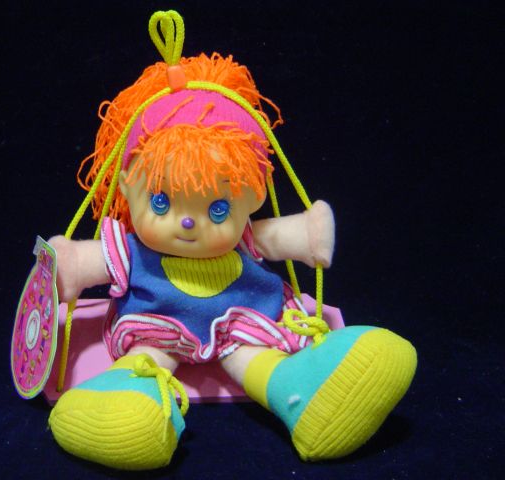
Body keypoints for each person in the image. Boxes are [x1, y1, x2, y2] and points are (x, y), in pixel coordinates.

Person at [45, 11, 417, 471]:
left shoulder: (244, 237)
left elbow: (277, 237)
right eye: (161, 202)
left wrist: (308, 235)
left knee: (257, 359)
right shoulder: (131, 248)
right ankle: (124, 401)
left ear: (253, 196)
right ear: (126, 185)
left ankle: (304, 393)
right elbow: (91, 260)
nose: (187, 223)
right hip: (157, 328)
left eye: (218, 209)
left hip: (241, 323)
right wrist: (67, 267)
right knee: (145, 361)